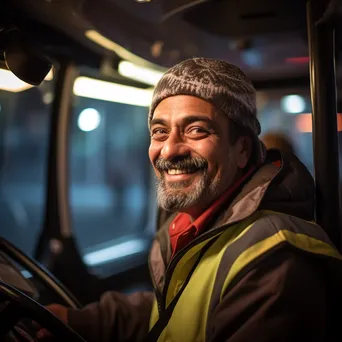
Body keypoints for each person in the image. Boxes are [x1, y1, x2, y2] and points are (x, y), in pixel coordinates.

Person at [37, 58, 342, 342]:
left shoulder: (274, 259)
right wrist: (77, 321)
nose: (169, 150)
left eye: (196, 130)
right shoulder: (188, 225)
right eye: (160, 131)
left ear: (242, 151)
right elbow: (171, 313)